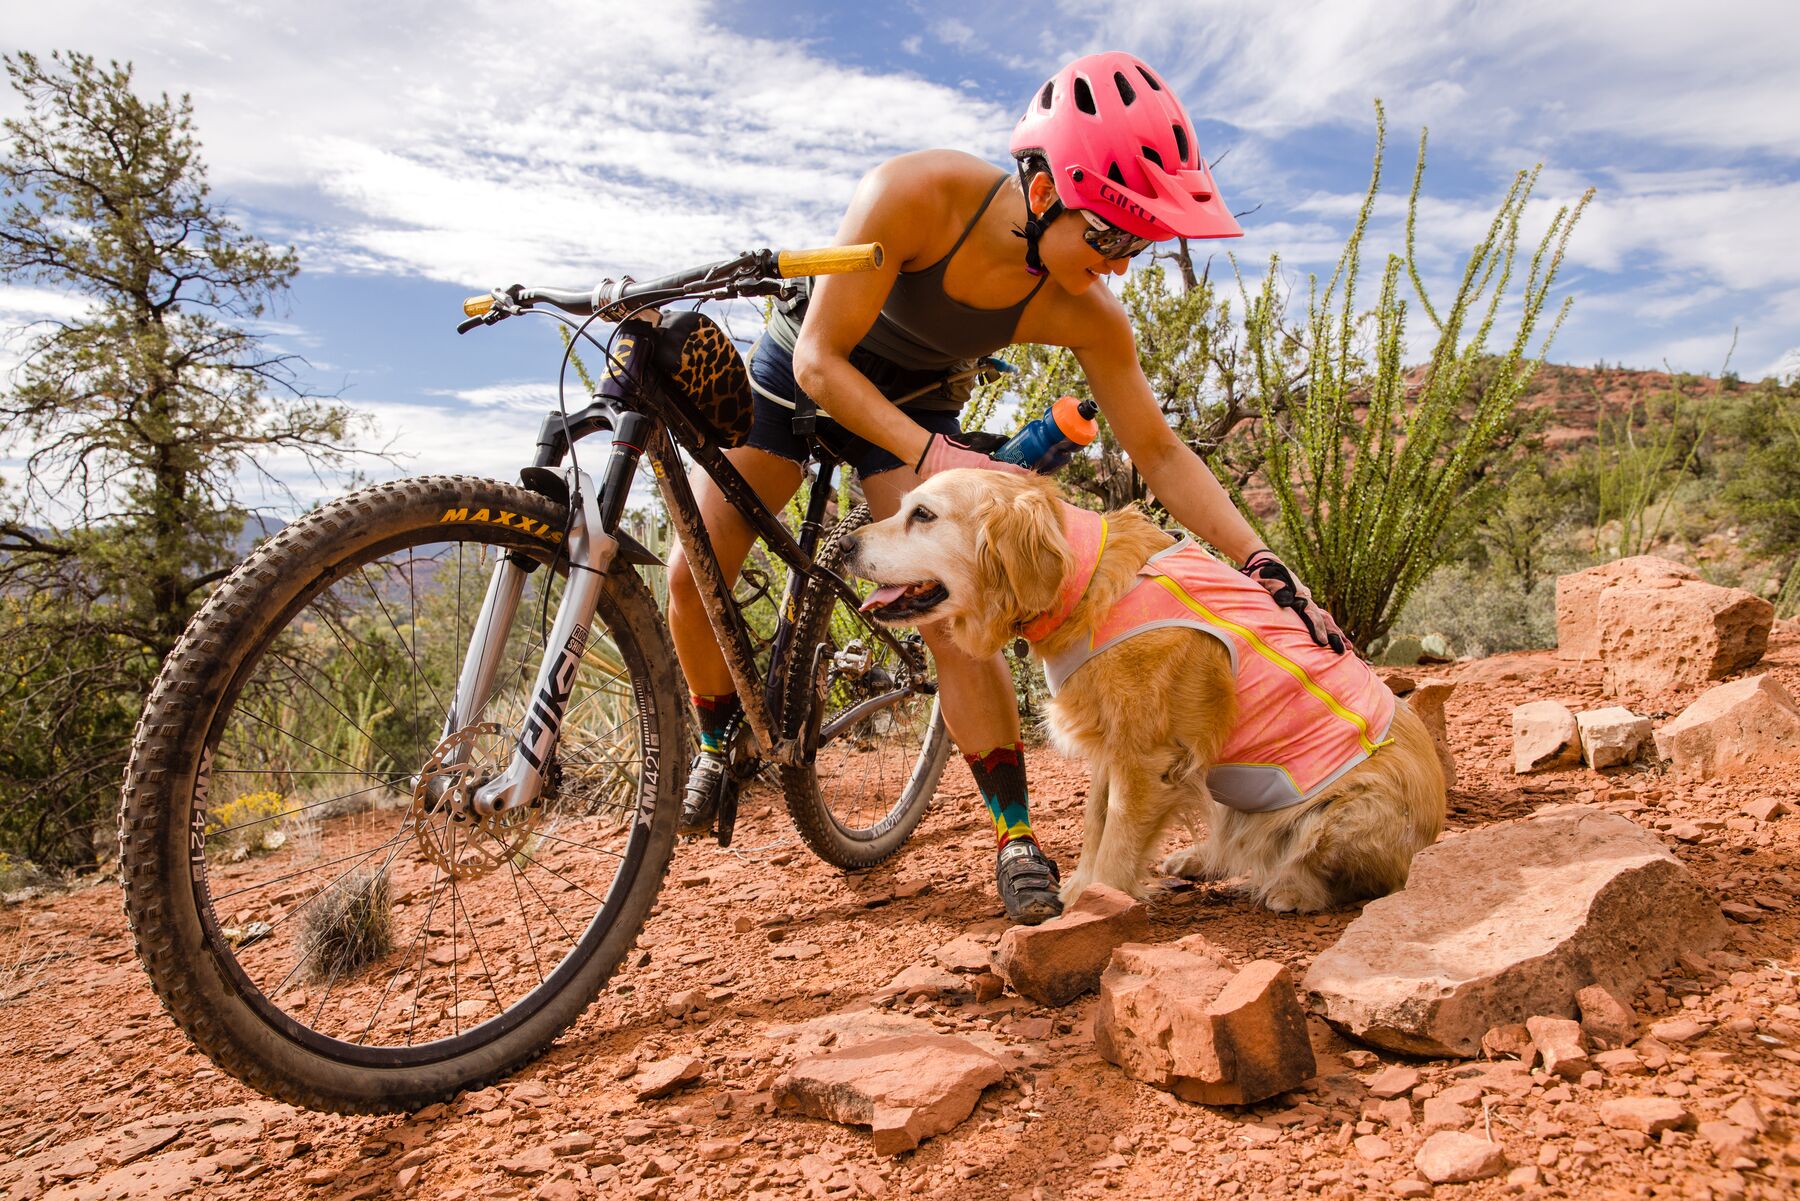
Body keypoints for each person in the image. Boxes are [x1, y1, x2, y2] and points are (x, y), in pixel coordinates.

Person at [665, 51, 1346, 925]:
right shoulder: (918, 193)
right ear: (1039, 189)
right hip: (809, 366)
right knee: (692, 579)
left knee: (956, 619)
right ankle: (719, 742)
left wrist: (1259, 558)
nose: (1121, 267)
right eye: (1108, 236)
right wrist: (945, 463)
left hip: (918, 397)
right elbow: (820, 362)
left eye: (1135, 244)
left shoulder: (1084, 309)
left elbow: (1162, 451)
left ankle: (1015, 833)